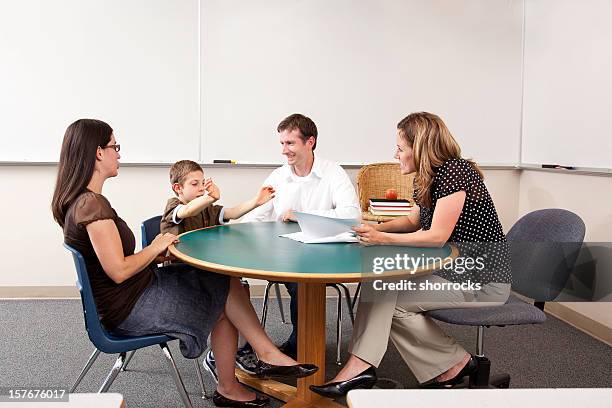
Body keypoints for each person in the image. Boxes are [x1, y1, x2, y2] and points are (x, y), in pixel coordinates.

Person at [51, 119, 318, 408]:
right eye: (115, 146)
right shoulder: (92, 205)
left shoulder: (85, 201)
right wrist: (154, 247)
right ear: (98, 153)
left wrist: (158, 251)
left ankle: (259, 358)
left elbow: (117, 265)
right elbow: (118, 271)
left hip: (135, 290)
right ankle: (245, 372)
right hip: (128, 307)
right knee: (222, 295)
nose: (119, 153)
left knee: (223, 280)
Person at [310, 112, 511, 398]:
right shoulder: (426, 178)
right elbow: (412, 222)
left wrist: (381, 238)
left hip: (483, 279)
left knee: (384, 290)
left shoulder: (456, 171)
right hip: (453, 271)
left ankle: (360, 367)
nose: (396, 154)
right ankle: (456, 365)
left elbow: (437, 235)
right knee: (381, 287)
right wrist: (372, 228)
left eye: (401, 148)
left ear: (419, 148)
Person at [242, 113, 360, 358]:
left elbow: (352, 215)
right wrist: (240, 235)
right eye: (282, 144)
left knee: (301, 281)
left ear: (310, 142)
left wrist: (301, 214)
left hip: (329, 256)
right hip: (286, 256)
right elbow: (257, 216)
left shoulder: (333, 172)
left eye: (290, 143)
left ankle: (300, 346)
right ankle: (256, 345)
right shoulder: (278, 176)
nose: (284, 150)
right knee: (293, 279)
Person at [160, 159, 275, 377]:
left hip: (204, 274)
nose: (201, 188)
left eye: (203, 182)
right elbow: (185, 212)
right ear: (178, 188)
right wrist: (208, 197)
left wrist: (256, 202)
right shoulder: (173, 207)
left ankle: (239, 349)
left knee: (240, 286)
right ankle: (225, 353)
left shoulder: (207, 208)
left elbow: (230, 212)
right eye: (195, 184)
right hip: (182, 280)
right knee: (228, 290)